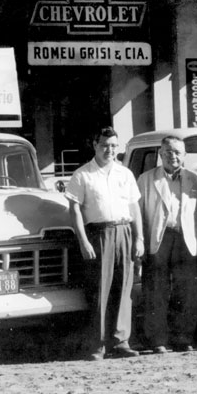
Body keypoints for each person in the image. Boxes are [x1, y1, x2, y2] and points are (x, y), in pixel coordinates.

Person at [65, 126, 144, 360]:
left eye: (113, 146)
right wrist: (83, 241)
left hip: (124, 232)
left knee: (124, 288)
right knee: (100, 290)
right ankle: (97, 345)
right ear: (95, 145)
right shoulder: (82, 175)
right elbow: (75, 210)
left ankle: (121, 342)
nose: (109, 150)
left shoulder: (125, 174)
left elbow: (134, 208)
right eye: (104, 145)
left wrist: (138, 237)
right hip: (99, 235)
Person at [137, 136, 197, 353]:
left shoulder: (194, 180)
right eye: (168, 152)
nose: (173, 156)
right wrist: (140, 240)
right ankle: (158, 340)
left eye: (177, 152)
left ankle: (183, 338)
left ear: (185, 155)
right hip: (159, 239)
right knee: (156, 291)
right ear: (160, 154)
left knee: (187, 291)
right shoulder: (146, 179)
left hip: (186, 240)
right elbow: (138, 214)